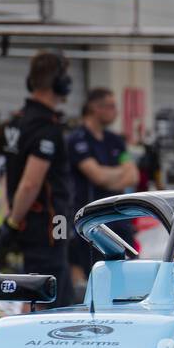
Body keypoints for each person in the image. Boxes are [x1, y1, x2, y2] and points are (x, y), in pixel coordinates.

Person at [0, 51, 74, 307]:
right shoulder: (46, 128)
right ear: (59, 83)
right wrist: (13, 224)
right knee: (47, 299)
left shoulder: (16, 122)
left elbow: (8, 176)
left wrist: (10, 220)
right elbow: (29, 183)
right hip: (47, 229)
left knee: (40, 293)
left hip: (28, 226)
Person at [67, 87, 138, 288]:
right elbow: (96, 176)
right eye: (110, 106)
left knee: (124, 279)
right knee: (94, 281)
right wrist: (117, 172)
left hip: (119, 220)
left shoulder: (116, 140)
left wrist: (109, 176)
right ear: (94, 108)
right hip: (90, 222)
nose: (115, 111)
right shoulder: (77, 139)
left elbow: (132, 174)